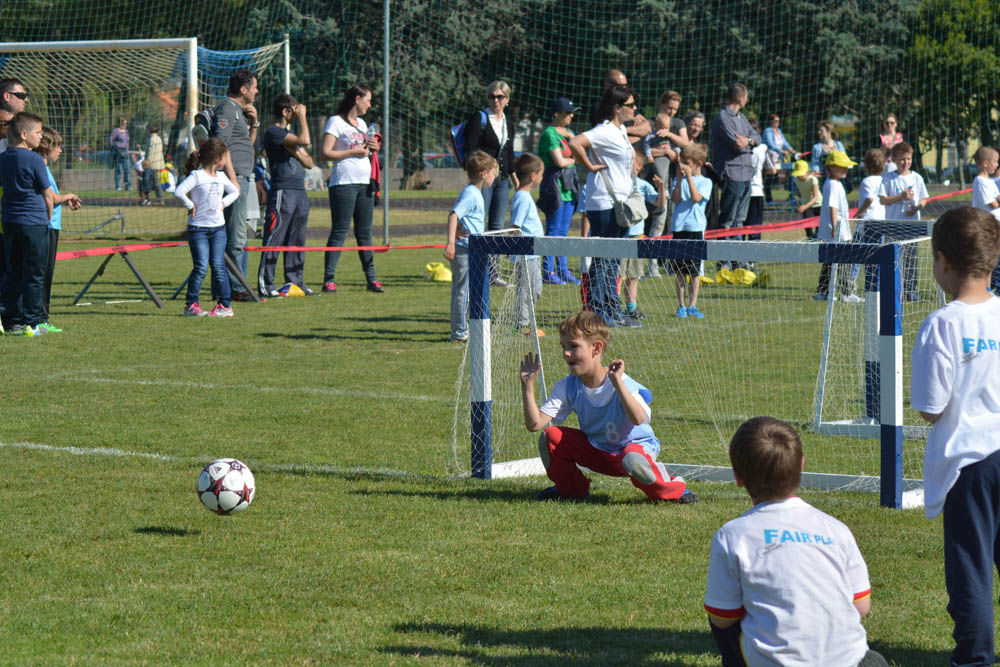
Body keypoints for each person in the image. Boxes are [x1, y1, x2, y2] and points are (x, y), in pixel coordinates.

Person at [704, 416, 887, 667]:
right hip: (849, 661)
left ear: (738, 477)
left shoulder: (732, 536)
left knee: (720, 611)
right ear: (801, 466)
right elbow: (861, 606)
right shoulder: (836, 529)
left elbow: (723, 618)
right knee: (872, 660)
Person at [911, 206, 1000, 667]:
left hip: (970, 464)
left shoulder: (942, 324)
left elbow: (930, 407)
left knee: (971, 570)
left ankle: (974, 657)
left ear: (941, 261)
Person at [519, 310, 694, 503]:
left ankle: (676, 490)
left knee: (634, 460)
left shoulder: (621, 381)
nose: (566, 353)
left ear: (596, 348)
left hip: (632, 452)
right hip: (597, 452)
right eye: (564, 346)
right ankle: (571, 490)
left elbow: (638, 419)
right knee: (550, 437)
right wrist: (528, 387)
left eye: (574, 346)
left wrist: (618, 383)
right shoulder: (567, 386)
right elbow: (535, 425)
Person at [569, 84, 641, 328]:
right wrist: (588, 166)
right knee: (603, 258)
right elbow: (575, 142)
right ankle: (598, 312)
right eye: (631, 105)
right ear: (617, 108)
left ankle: (613, 307)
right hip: (604, 202)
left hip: (622, 201)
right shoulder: (604, 130)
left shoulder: (620, 131)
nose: (635, 109)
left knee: (614, 259)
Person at [320, 83, 384, 294]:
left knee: (365, 233)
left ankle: (372, 279)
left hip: (365, 183)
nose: (370, 104)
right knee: (340, 230)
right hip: (343, 183)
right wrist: (353, 152)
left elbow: (365, 150)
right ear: (357, 99)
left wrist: (372, 148)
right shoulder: (335, 122)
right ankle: (329, 279)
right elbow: (326, 153)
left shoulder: (364, 123)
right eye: (368, 100)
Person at [0, 112, 54, 336]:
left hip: (10, 222)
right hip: (33, 222)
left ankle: (10, 320)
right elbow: (47, 193)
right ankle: (32, 324)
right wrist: (47, 217)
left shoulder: (2, 158)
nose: (41, 137)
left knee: (12, 271)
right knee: (34, 272)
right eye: (38, 132)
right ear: (24, 135)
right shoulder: (34, 159)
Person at [173, 138, 240, 318]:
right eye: (225, 157)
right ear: (217, 158)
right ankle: (191, 306)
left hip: (218, 230)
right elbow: (178, 191)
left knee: (218, 266)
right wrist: (189, 205)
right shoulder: (197, 176)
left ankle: (225, 306)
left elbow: (235, 192)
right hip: (198, 230)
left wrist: (224, 203)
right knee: (201, 267)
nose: (226, 161)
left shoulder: (221, 177)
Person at [463, 81, 518, 287]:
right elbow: (471, 149)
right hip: (484, 179)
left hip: (502, 179)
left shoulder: (507, 121)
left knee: (497, 226)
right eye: (492, 96)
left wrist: (517, 184)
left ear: (507, 100)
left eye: (500, 97)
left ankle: (493, 273)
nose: (496, 100)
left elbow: (509, 155)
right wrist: (476, 179)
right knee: (478, 223)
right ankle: (476, 269)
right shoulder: (480, 118)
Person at [257, 94, 313, 298]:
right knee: (275, 236)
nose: (299, 114)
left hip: (299, 191)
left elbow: (310, 163)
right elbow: (305, 140)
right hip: (283, 191)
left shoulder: (289, 138)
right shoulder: (274, 132)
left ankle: (295, 281)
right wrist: (304, 118)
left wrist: (294, 151)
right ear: (285, 111)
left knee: (297, 238)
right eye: (295, 110)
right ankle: (267, 283)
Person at [210, 69, 259, 301]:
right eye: (254, 87)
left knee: (239, 234)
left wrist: (255, 124)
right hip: (235, 179)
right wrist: (232, 181)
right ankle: (236, 290)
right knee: (235, 236)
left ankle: (234, 286)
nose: (256, 91)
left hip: (242, 177)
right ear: (243, 89)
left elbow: (244, 147)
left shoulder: (239, 112)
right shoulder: (227, 109)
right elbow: (220, 146)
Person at [444, 151, 496, 343]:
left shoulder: (474, 193)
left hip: (474, 248)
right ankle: (459, 332)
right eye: (493, 172)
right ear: (483, 174)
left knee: (471, 289)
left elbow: (462, 217)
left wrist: (458, 229)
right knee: (462, 290)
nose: (495, 176)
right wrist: (451, 242)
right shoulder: (471, 194)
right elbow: (454, 214)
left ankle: (467, 328)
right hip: (464, 250)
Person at [34, 126, 82, 333]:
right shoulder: (41, 168)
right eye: (58, 146)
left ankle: (41, 317)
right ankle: (39, 318)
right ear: (46, 146)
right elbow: (50, 198)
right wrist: (68, 196)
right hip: (46, 226)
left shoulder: (45, 168)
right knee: (42, 274)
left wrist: (65, 200)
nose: (61, 150)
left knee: (46, 274)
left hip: (52, 226)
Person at [537, 97, 581, 286]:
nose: (571, 115)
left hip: (569, 188)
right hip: (554, 188)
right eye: (567, 112)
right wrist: (576, 160)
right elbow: (560, 162)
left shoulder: (570, 133)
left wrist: (574, 147)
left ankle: (563, 271)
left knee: (563, 232)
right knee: (553, 231)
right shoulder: (549, 133)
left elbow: (580, 152)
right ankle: (548, 272)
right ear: (557, 114)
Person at [710, 83, 761, 241]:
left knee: (740, 220)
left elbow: (758, 138)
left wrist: (748, 140)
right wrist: (747, 142)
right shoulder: (723, 118)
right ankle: (724, 261)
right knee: (728, 219)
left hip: (746, 173)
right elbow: (737, 144)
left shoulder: (742, 117)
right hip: (732, 174)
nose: (747, 100)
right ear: (740, 98)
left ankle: (737, 261)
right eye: (746, 97)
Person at [878, 142, 927, 301]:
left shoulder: (917, 178)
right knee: (893, 258)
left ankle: (911, 291)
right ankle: (893, 289)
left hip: (912, 225)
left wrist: (916, 208)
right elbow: (883, 200)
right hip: (893, 225)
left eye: (908, 159)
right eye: (902, 159)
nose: (905, 162)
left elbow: (924, 199)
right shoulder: (888, 178)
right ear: (894, 159)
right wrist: (900, 197)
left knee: (911, 259)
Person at [670, 143, 713, 318]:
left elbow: (696, 198)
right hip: (680, 228)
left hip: (695, 229)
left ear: (698, 164)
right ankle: (681, 306)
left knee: (694, 272)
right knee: (680, 271)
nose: (683, 165)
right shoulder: (677, 179)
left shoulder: (706, 182)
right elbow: (676, 199)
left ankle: (692, 305)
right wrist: (680, 180)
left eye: (687, 162)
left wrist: (689, 178)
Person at [620, 154, 664, 320]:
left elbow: (659, 203)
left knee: (634, 274)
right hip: (621, 235)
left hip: (637, 236)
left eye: (631, 163)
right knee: (618, 274)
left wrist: (660, 187)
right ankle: (613, 305)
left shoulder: (644, 185)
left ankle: (631, 308)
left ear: (638, 166)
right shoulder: (619, 183)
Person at [815, 150, 861, 302]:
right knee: (844, 261)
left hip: (836, 230)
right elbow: (833, 207)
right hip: (836, 231)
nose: (846, 169)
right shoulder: (833, 185)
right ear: (832, 167)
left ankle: (823, 292)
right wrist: (835, 227)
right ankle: (846, 293)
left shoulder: (833, 183)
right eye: (842, 166)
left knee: (830, 262)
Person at [509, 153, 546, 337]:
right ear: (533, 176)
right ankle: (522, 325)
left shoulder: (525, 196)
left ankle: (526, 321)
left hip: (534, 252)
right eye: (541, 174)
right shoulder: (522, 197)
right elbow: (515, 226)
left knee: (536, 288)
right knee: (525, 289)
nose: (541, 178)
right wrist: (514, 249)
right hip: (526, 253)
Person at [746, 119, 774, 239]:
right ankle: (753, 257)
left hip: (742, 190)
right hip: (756, 190)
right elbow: (772, 170)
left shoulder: (740, 146)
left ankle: (737, 256)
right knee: (755, 226)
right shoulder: (763, 148)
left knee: (741, 226)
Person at [761, 113, 796, 203]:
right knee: (769, 178)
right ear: (771, 122)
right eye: (776, 121)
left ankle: (790, 195)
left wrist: (791, 149)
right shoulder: (767, 131)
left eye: (779, 121)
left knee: (775, 178)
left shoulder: (779, 131)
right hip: (770, 157)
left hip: (778, 158)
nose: (778, 123)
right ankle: (768, 200)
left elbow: (784, 142)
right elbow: (770, 144)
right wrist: (782, 151)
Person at [791, 160, 820, 240]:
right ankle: (810, 241)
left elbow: (815, 197)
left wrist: (804, 207)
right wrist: (798, 204)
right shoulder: (796, 180)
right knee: (807, 226)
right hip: (805, 204)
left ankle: (819, 241)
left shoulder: (813, 180)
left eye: (801, 174)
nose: (799, 177)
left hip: (818, 205)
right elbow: (798, 193)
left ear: (807, 172)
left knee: (819, 228)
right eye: (798, 174)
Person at [109, 117, 131, 191]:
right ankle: (118, 186)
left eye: (126, 123)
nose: (125, 125)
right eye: (124, 123)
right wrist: (115, 148)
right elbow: (111, 140)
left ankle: (128, 186)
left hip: (126, 152)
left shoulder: (127, 131)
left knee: (127, 169)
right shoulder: (115, 131)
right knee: (118, 170)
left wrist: (127, 149)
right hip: (118, 152)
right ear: (120, 123)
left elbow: (127, 142)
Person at [144, 125, 164, 204]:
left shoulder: (151, 139)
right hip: (157, 163)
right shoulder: (159, 138)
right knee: (155, 182)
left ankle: (149, 199)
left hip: (151, 164)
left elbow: (150, 152)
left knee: (149, 182)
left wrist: (146, 162)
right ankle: (159, 198)